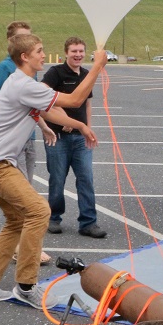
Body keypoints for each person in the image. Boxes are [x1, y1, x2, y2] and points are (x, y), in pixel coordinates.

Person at [0, 34, 107, 309]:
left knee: (17, 221)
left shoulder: (26, 84)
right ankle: (27, 287)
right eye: (40, 52)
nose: (44, 55)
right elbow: (76, 99)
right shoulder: (22, 84)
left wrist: (80, 127)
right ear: (25, 57)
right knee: (39, 212)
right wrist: (98, 66)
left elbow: (51, 112)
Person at [0, 21, 56, 265]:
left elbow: (33, 105)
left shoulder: (31, 70)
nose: (32, 43)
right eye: (24, 38)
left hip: (28, 137)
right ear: (14, 45)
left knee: (28, 195)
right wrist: (11, 102)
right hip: (9, 144)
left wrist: (44, 127)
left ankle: (21, 248)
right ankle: (26, 253)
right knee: (30, 204)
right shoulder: (6, 68)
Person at [42, 37, 106, 238]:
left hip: (80, 138)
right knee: (58, 179)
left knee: (86, 178)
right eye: (73, 51)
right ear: (66, 53)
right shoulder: (55, 73)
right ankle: (53, 218)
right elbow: (45, 96)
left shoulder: (86, 74)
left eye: (80, 51)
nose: (77, 55)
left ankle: (88, 222)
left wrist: (88, 128)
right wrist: (65, 119)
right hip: (57, 137)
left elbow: (87, 103)